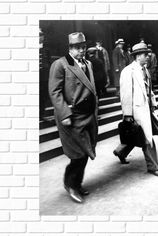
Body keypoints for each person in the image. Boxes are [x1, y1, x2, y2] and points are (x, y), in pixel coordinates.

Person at [48, 32, 98, 203]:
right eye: (77, 48)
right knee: (78, 155)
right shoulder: (60, 64)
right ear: (70, 48)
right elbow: (54, 92)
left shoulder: (88, 63)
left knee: (85, 152)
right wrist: (64, 114)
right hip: (71, 116)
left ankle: (76, 183)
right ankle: (71, 184)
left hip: (87, 115)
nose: (81, 51)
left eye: (83, 47)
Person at [116, 42, 158, 177]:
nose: (148, 56)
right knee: (147, 139)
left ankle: (121, 151)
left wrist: (153, 102)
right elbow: (125, 94)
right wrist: (127, 114)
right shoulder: (128, 71)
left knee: (136, 134)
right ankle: (153, 167)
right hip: (136, 110)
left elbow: (149, 89)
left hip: (146, 108)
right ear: (138, 56)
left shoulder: (145, 70)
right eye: (146, 54)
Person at [39, 28, 51, 120]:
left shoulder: (46, 49)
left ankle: (41, 114)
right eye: (39, 35)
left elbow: (49, 62)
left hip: (44, 76)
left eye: (41, 35)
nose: (40, 37)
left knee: (43, 95)